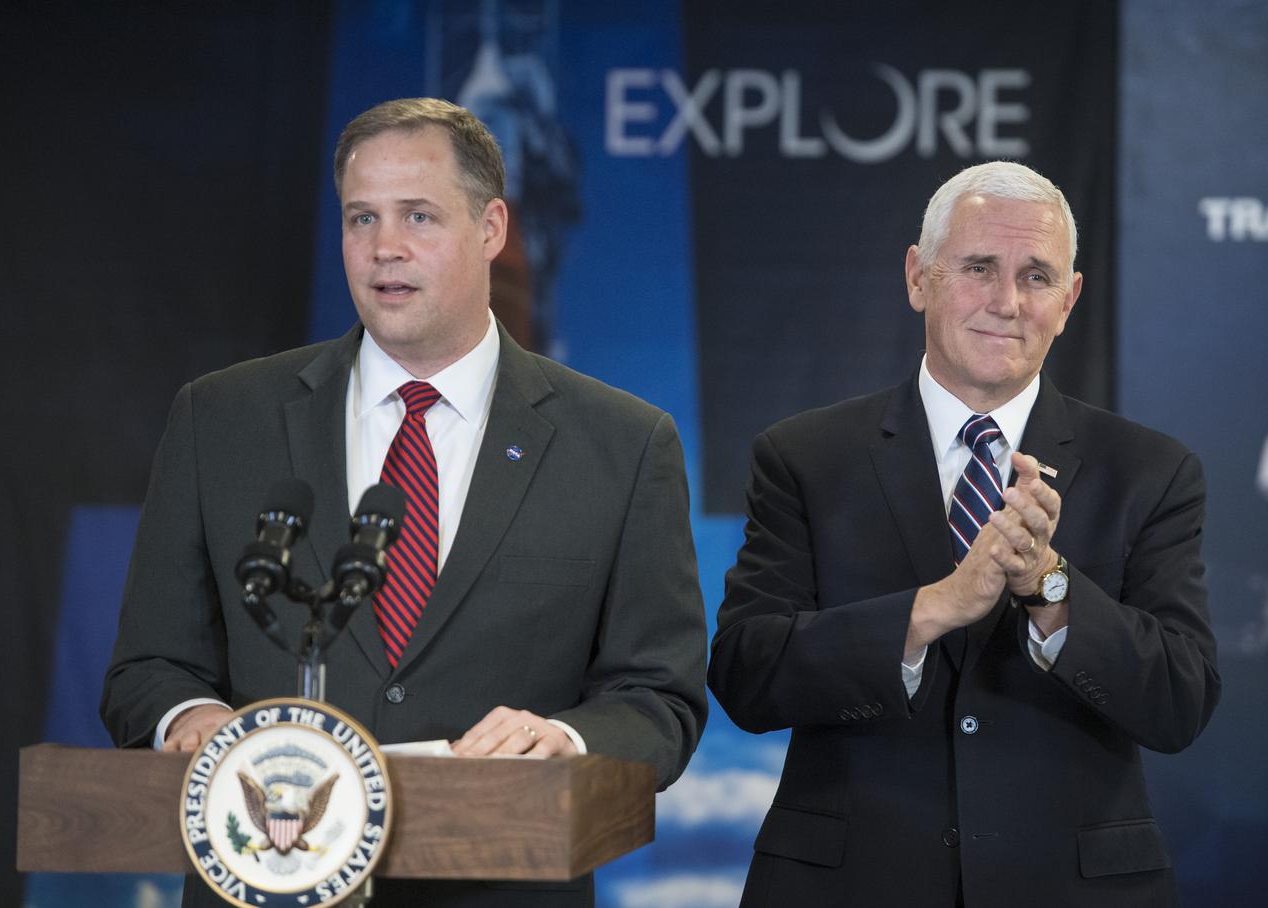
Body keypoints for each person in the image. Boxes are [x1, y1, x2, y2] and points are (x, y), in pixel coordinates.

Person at [101, 98, 707, 907]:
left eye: (418, 215)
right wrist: (195, 720)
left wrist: (564, 737)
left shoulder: (623, 444)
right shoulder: (221, 419)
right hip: (265, 878)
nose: (384, 248)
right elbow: (147, 666)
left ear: (492, 228)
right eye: (361, 219)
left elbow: (659, 699)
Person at [708, 161, 1219, 908]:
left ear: (1069, 299)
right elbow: (748, 675)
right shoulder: (804, 458)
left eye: (1037, 276)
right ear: (920, 278)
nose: (1007, 302)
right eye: (979, 267)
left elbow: (1180, 700)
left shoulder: (1151, 471)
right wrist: (937, 606)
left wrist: (1048, 586)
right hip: (853, 886)